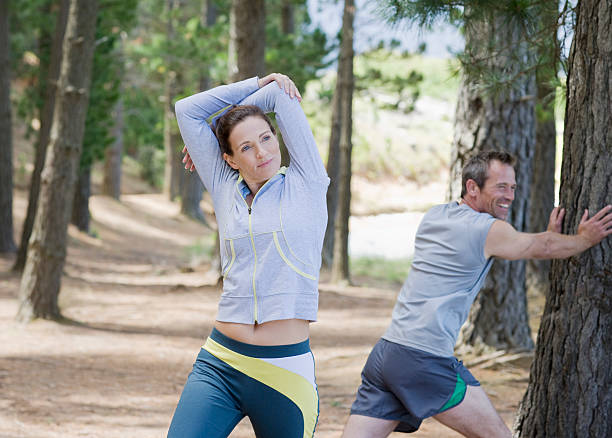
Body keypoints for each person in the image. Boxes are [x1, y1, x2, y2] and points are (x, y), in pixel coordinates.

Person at [341, 150, 612, 438]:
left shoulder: (435, 216)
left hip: (388, 355)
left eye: (513, 187)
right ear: (472, 187)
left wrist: (548, 238)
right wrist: (584, 239)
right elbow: (538, 247)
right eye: (500, 187)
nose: (509, 195)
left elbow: (527, 245)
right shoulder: (485, 229)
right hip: (424, 360)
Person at [168, 73, 329, 438]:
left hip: (284, 371)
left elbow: (281, 98)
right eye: (246, 148)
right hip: (220, 362)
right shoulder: (225, 188)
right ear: (229, 158)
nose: (262, 153)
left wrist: (269, 89)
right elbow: (187, 110)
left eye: (267, 138)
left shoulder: (308, 183)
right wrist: (253, 84)